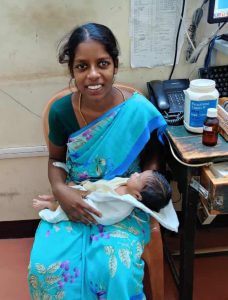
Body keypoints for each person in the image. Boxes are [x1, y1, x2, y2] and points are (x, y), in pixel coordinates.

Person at [28, 22, 167, 300]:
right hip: (76, 194)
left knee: (115, 269)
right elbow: (56, 161)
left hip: (126, 200)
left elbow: (154, 154)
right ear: (72, 71)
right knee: (44, 268)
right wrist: (60, 191)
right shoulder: (61, 112)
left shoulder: (138, 110)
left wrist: (139, 189)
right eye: (82, 66)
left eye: (102, 63)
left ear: (115, 65)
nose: (93, 75)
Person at [33, 170, 172, 225]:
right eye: (140, 173)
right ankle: (54, 196)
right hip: (93, 194)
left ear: (137, 196)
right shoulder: (127, 184)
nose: (135, 173)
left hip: (94, 210)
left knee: (72, 207)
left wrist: (85, 195)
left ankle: (51, 206)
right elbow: (106, 185)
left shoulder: (121, 204)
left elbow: (100, 205)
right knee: (69, 188)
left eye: (139, 177)